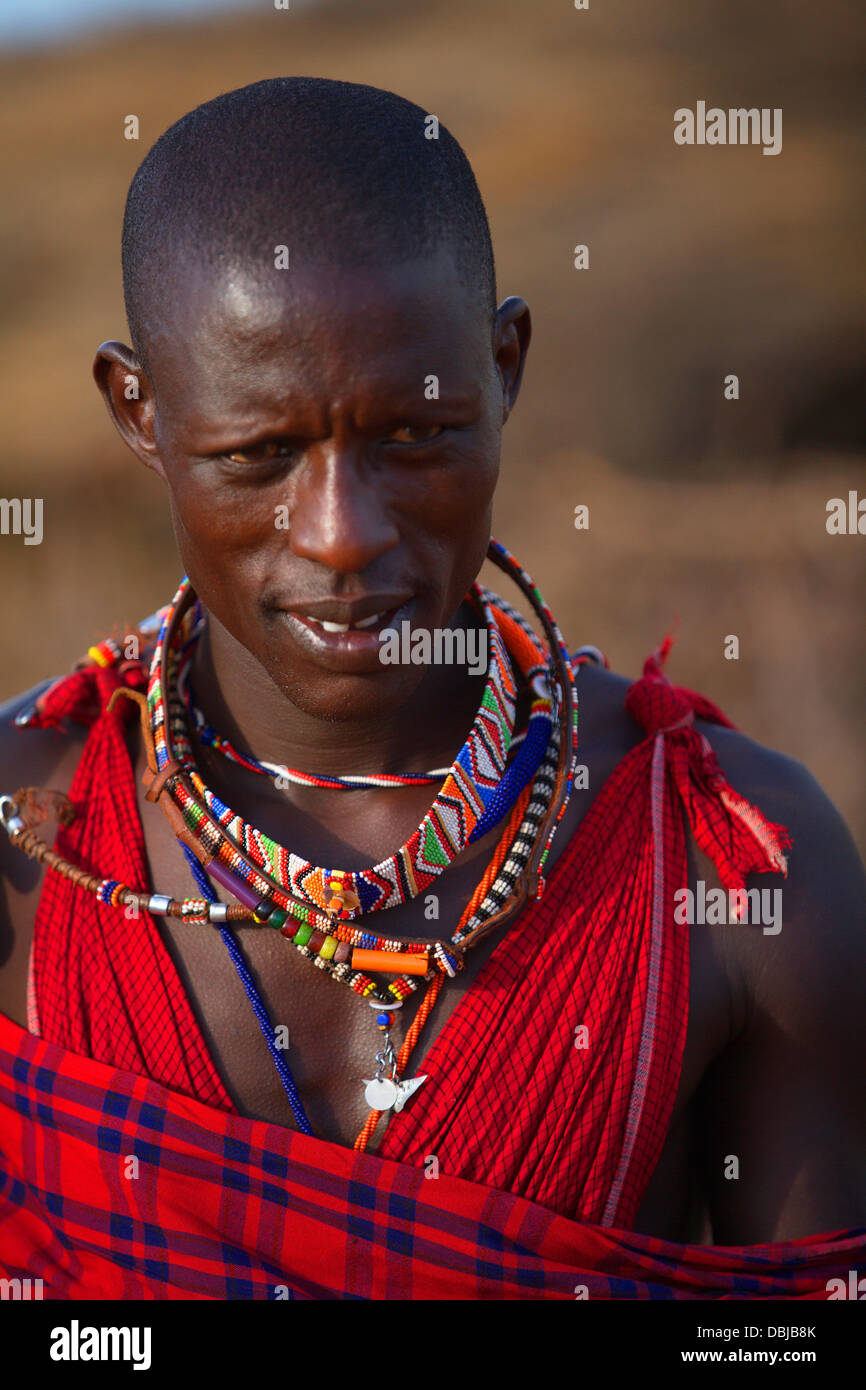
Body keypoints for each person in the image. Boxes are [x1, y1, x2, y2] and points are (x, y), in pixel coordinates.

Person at [0, 77, 863, 1300]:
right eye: (257, 455)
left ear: (503, 366)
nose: (343, 534)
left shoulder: (731, 866)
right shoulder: (31, 850)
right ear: (139, 411)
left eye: (414, 433)